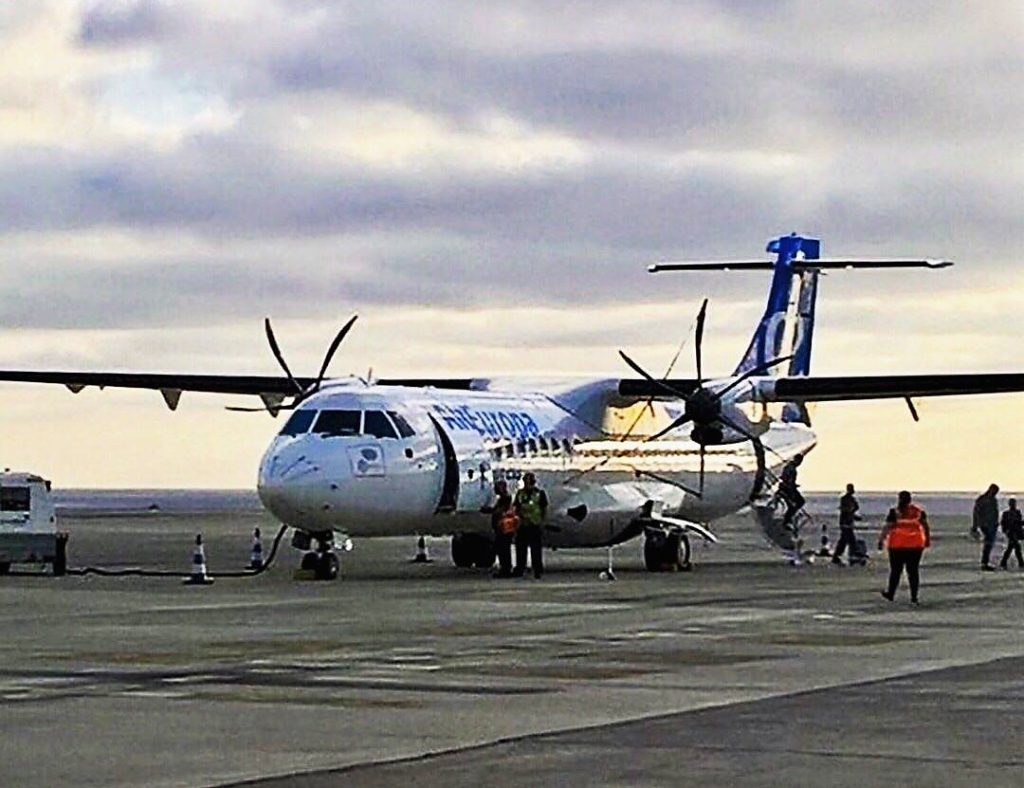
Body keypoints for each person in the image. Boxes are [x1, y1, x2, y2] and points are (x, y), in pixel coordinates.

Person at [878, 490, 930, 604]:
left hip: (897, 545)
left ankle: (891, 594)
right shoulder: (918, 511)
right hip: (915, 545)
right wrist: (927, 540)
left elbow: (888, 527)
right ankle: (914, 597)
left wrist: (881, 540)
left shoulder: (895, 512)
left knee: (896, 571)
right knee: (913, 571)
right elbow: (925, 526)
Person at [512, 472, 548, 579]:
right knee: (521, 549)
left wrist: (541, 521)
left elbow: (544, 508)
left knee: (535, 549)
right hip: (523, 524)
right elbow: (516, 507)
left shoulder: (539, 494)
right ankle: (520, 568)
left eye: (528, 482)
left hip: (534, 524)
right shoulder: (520, 494)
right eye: (525, 482)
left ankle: (537, 570)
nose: (527, 484)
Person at [486, 480, 517, 577]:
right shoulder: (503, 499)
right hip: (502, 528)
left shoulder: (506, 498)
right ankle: (505, 568)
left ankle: (506, 570)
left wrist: (492, 511)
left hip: (504, 529)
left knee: (503, 550)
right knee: (503, 550)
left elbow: (500, 511)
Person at [831, 483, 862, 565]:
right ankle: (853, 555)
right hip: (845, 523)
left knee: (843, 540)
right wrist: (850, 513)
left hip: (848, 522)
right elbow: (845, 510)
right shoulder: (845, 499)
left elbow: (854, 509)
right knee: (851, 540)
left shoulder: (852, 499)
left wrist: (854, 516)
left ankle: (837, 556)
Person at [973, 483, 1000, 570]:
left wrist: (996, 523)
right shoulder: (982, 500)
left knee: (989, 544)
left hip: (992, 525)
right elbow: (976, 513)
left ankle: (985, 562)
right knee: (988, 544)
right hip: (984, 524)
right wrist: (975, 525)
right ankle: (984, 563)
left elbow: (995, 513)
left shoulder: (993, 500)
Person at [778, 453, 805, 529]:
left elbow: (787, 479)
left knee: (799, 502)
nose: (800, 463)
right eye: (799, 461)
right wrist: (791, 486)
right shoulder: (790, 468)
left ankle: (788, 519)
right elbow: (786, 480)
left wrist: (794, 485)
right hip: (786, 489)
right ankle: (786, 521)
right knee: (796, 504)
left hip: (789, 488)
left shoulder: (790, 467)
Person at [999, 497, 1024, 570]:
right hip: (1011, 532)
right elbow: (1003, 524)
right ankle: (1020, 563)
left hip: (1017, 531)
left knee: (1011, 547)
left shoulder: (1017, 512)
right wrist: (1005, 531)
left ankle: (1003, 562)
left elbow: (1019, 522)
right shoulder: (1006, 514)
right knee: (1016, 547)